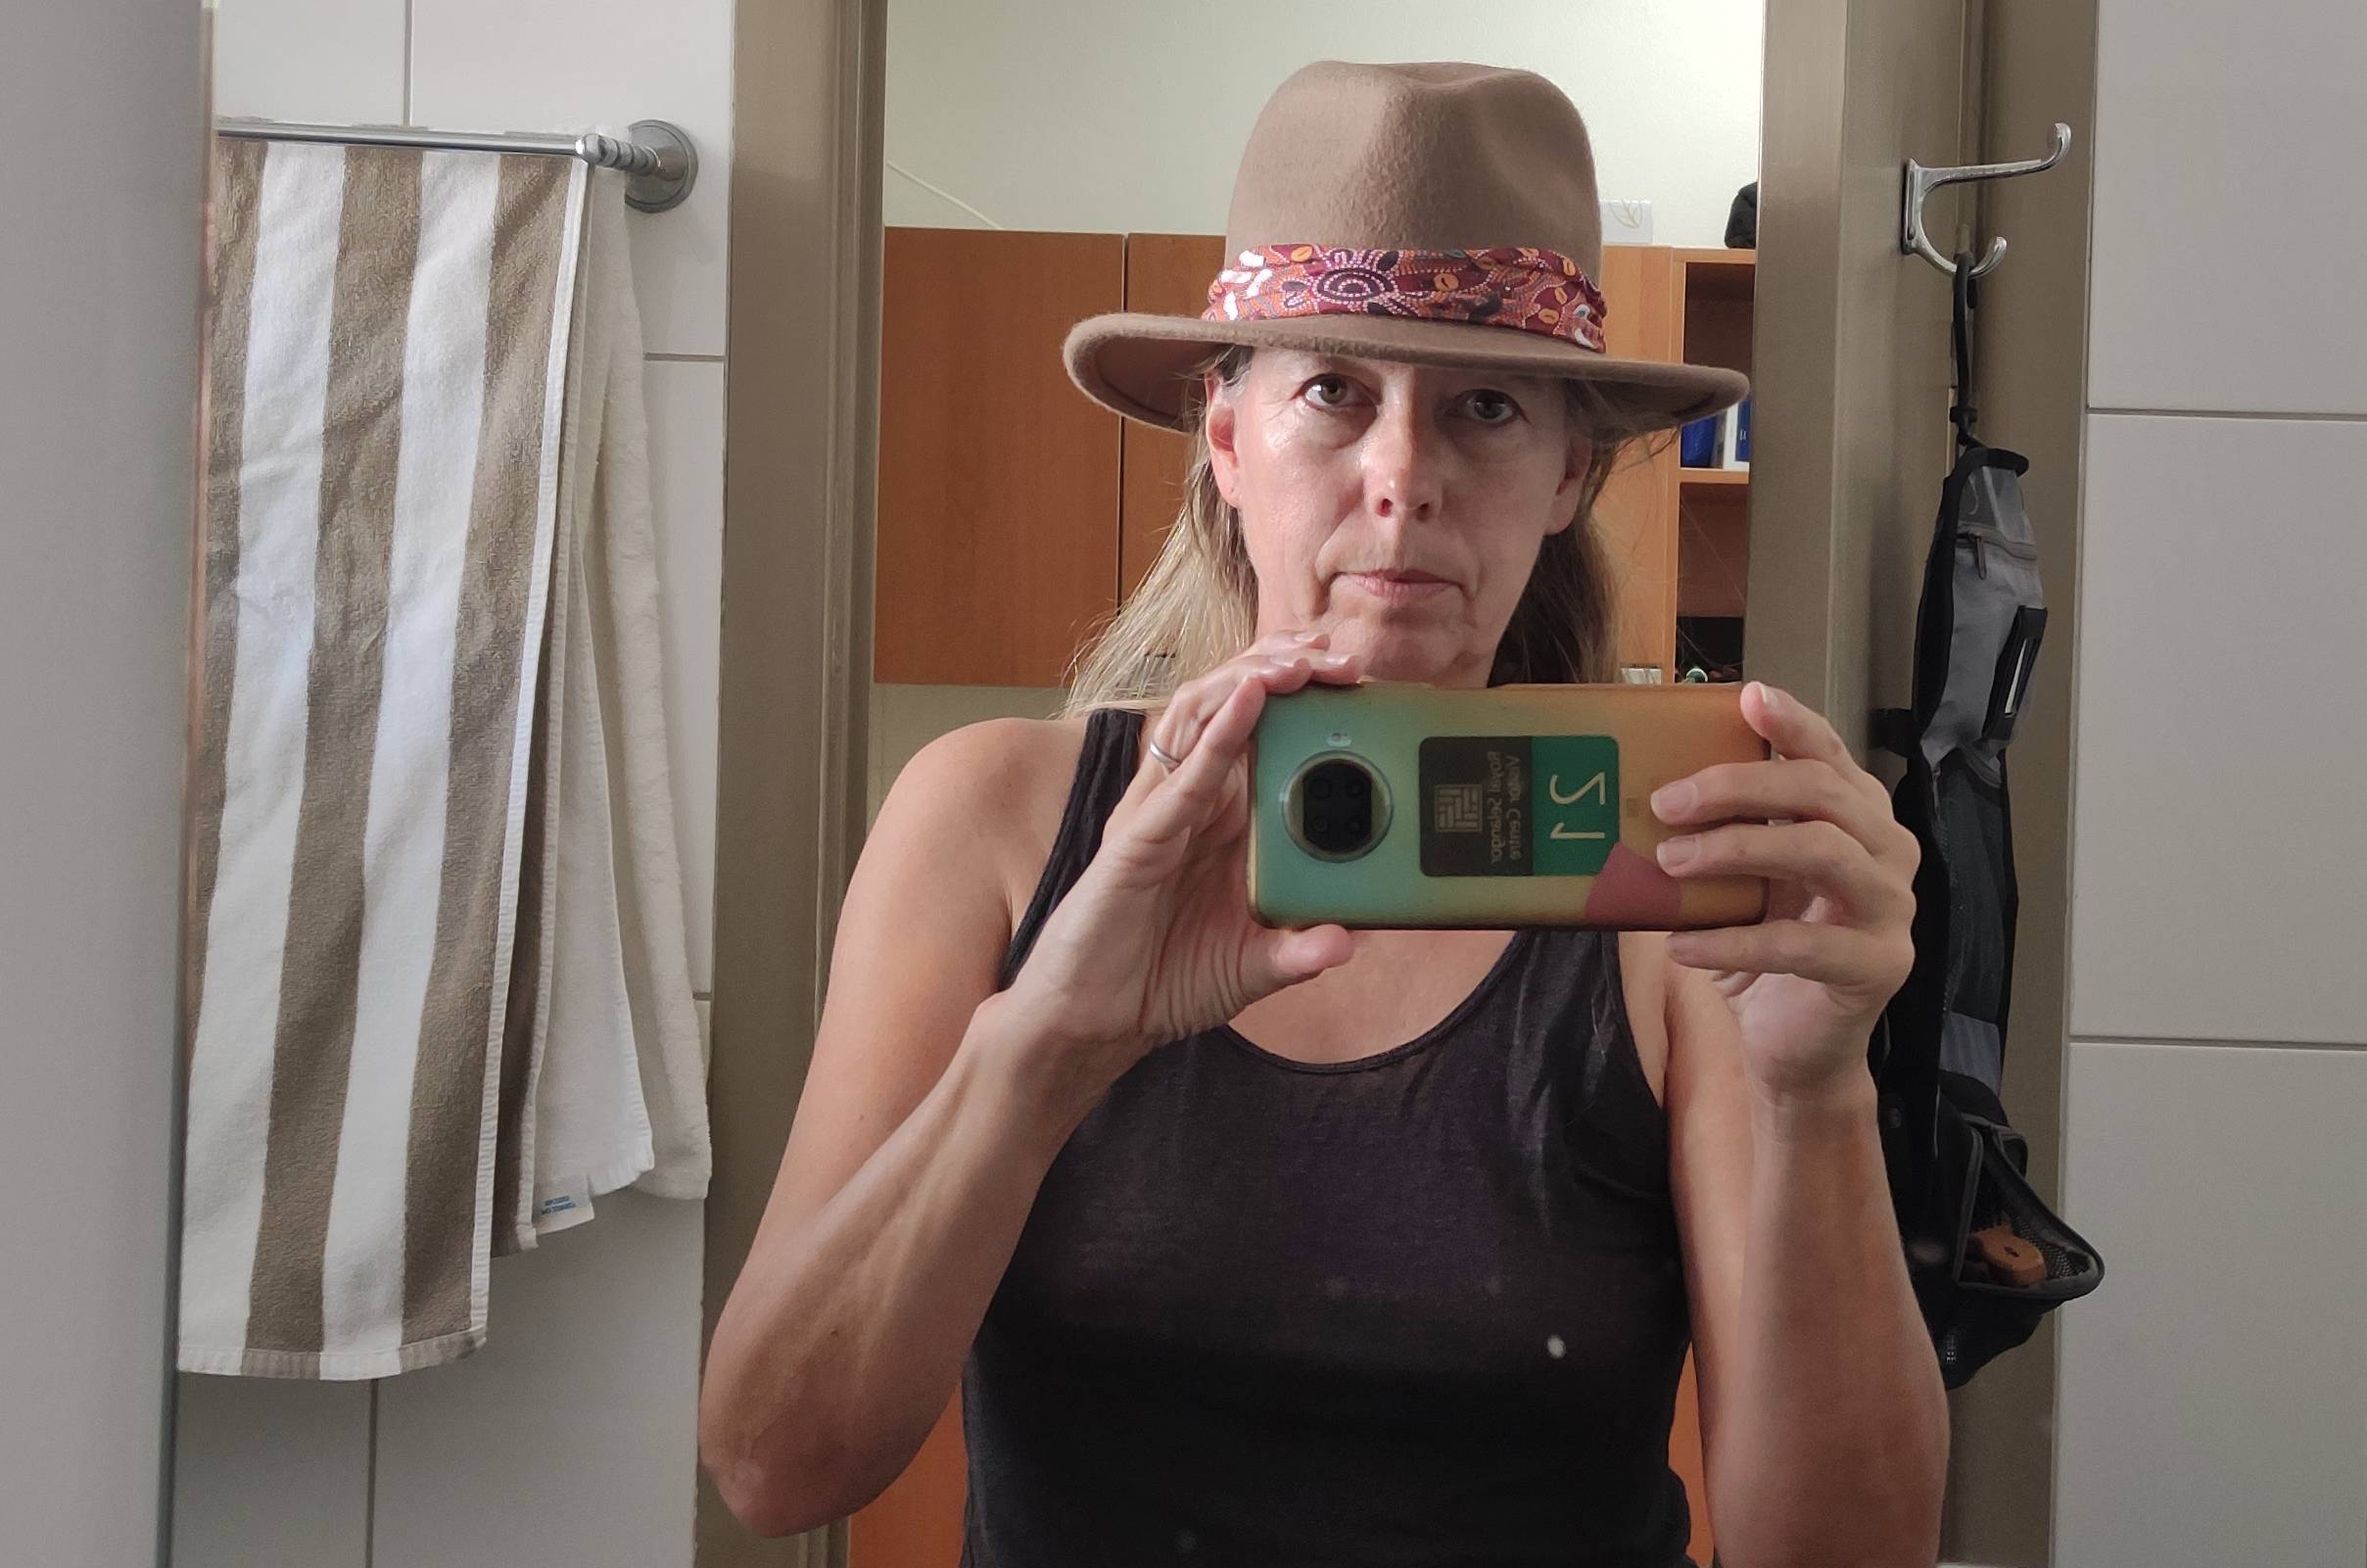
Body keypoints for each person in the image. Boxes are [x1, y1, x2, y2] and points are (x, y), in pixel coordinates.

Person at [700, 60, 1947, 1567]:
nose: (1402, 476)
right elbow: (774, 1467)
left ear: (1567, 470)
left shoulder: (1678, 875)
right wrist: (1046, 1043)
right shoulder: (992, 822)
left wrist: (1819, 1094)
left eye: (1484, 406)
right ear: (1225, 439)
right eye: (1331, 392)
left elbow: (1838, 1552)